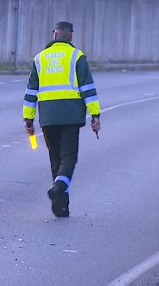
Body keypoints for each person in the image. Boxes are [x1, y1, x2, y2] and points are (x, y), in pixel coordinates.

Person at [22, 21, 101, 218]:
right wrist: (95, 115)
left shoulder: (40, 58)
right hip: (71, 116)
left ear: (55, 35)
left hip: (48, 117)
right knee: (69, 157)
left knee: (55, 159)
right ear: (71, 37)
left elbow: (31, 92)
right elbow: (88, 89)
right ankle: (58, 188)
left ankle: (61, 206)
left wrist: (28, 119)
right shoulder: (77, 56)